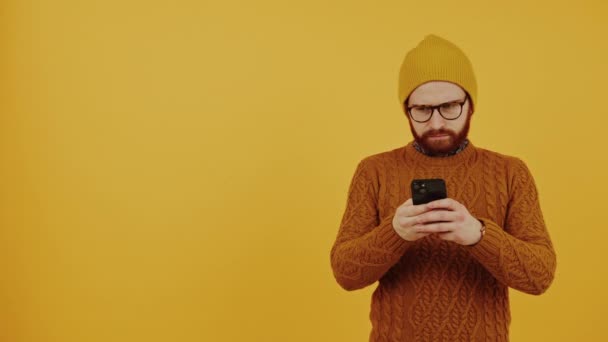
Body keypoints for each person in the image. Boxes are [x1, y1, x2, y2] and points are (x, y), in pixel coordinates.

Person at [329, 34, 556, 342]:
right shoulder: (374, 171)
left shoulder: (509, 172)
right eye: (421, 109)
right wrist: (394, 233)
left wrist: (478, 235)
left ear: (471, 105)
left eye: (449, 106)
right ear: (406, 109)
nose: (436, 122)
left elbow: (539, 276)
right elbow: (346, 274)